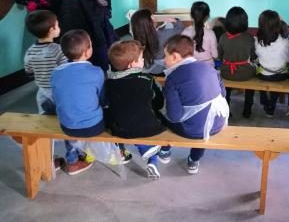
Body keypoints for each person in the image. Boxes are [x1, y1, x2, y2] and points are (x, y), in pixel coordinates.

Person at [161, 35, 229, 174]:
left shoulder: (172, 78)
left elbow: (174, 117)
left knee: (160, 112)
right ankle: (194, 160)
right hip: (218, 123)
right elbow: (223, 94)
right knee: (204, 117)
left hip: (191, 131)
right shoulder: (209, 67)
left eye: (165, 55)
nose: (163, 59)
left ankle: (164, 150)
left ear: (174, 56)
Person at [104, 40, 167, 179]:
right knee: (147, 116)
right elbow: (159, 103)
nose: (143, 60)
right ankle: (152, 160)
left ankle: (120, 151)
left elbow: (106, 104)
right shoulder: (148, 79)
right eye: (141, 58)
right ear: (132, 64)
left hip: (119, 129)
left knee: (117, 114)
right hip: (149, 127)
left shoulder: (109, 83)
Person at [51, 30, 105, 175]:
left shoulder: (56, 73)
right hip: (95, 127)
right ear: (88, 52)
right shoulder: (96, 72)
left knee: (69, 119)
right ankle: (89, 154)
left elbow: (56, 97)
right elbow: (102, 98)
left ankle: (72, 161)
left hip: (68, 126)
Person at [24, 10, 67, 115]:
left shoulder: (30, 51)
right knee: (63, 113)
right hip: (59, 91)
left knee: (44, 117)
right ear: (52, 30)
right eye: (57, 25)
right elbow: (66, 70)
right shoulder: (58, 49)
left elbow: (29, 72)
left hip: (42, 92)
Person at [218, 6, 256, 118]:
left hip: (226, 72)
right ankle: (247, 110)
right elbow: (253, 56)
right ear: (245, 22)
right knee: (252, 79)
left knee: (226, 86)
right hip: (246, 73)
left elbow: (220, 57)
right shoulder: (249, 37)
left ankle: (227, 110)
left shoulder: (223, 37)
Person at [254, 10, 289, 116]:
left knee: (257, 70)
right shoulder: (285, 40)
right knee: (277, 80)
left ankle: (264, 100)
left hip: (263, 75)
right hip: (280, 75)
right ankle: (271, 106)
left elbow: (256, 55)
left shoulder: (257, 40)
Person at [131, 9, 183, 74]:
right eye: (152, 16)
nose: (154, 17)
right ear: (150, 21)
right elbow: (180, 29)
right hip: (161, 69)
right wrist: (176, 21)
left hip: (148, 67)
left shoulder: (135, 40)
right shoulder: (165, 34)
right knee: (170, 26)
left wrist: (159, 28)